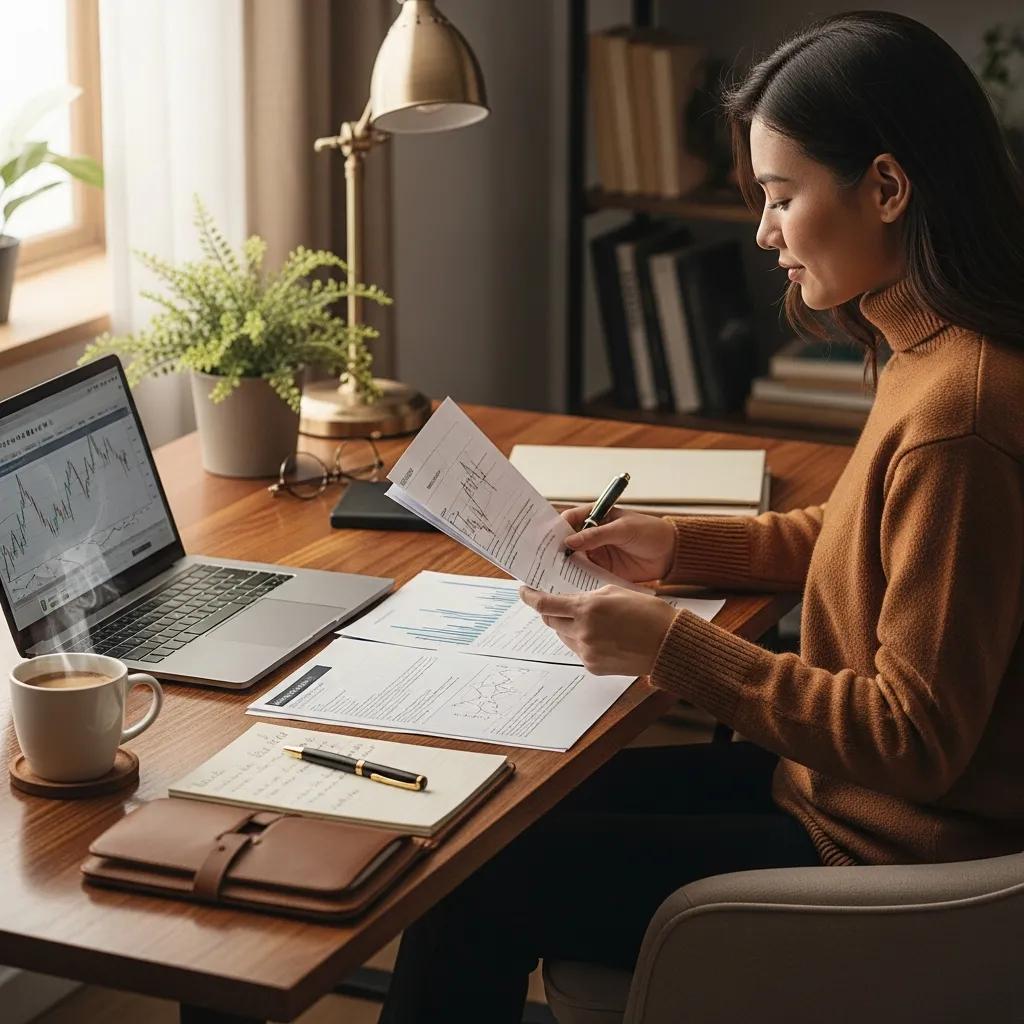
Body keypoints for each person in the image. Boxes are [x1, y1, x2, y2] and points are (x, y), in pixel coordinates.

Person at [380, 11, 1024, 1021]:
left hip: (888, 858)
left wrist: (676, 648)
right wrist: (679, 542)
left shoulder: (961, 412)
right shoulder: (931, 350)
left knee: (471, 882)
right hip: (838, 803)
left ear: (887, 188)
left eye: (780, 196)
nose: (765, 230)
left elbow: (913, 739)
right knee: (488, 824)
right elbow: (863, 540)